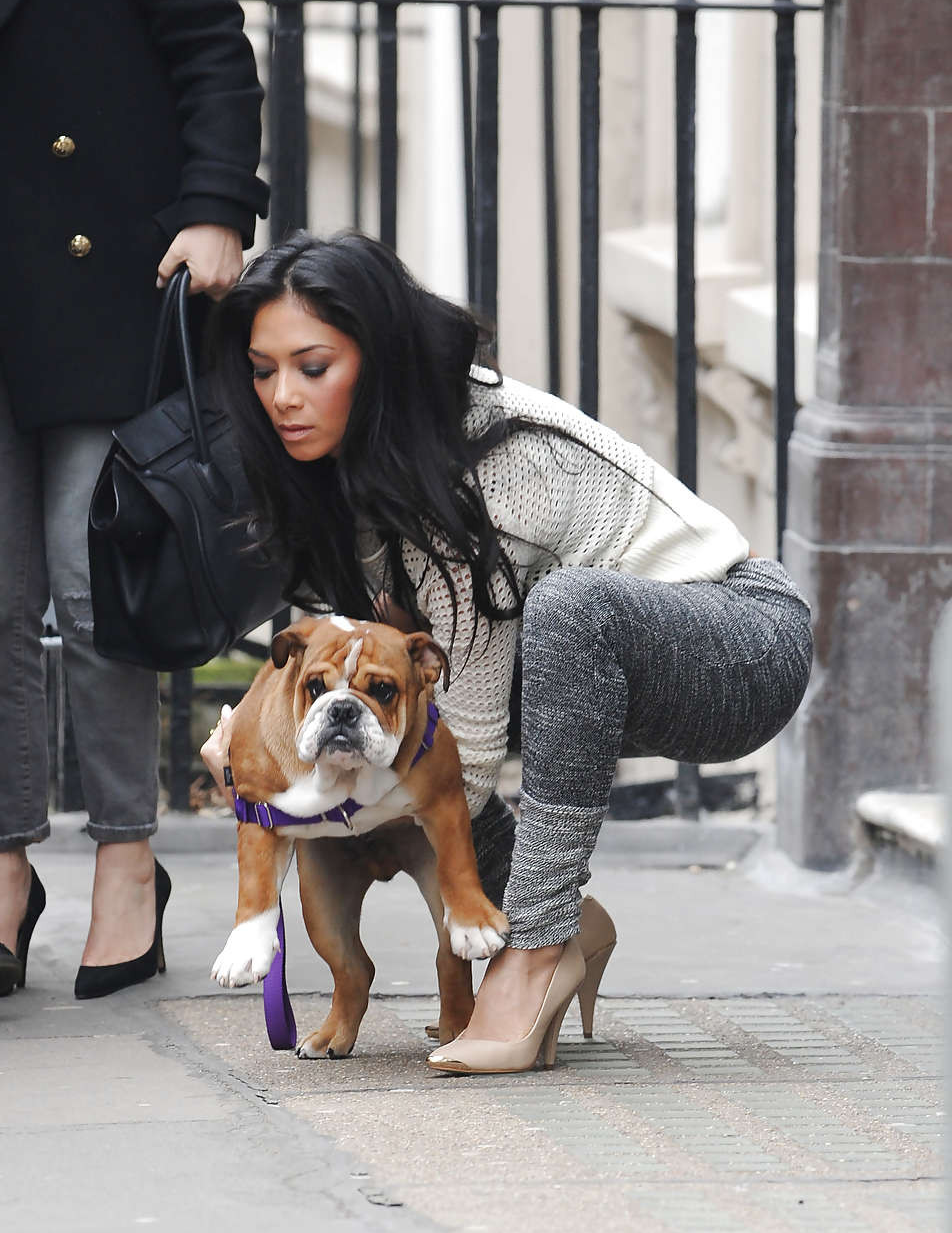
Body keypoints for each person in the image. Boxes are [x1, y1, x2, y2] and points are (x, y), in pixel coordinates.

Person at [203, 230, 813, 1074]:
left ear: (377, 362)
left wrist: (309, 798)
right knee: (416, 710)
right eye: (263, 372)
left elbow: (469, 764)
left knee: (552, 626)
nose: (282, 397)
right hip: (581, 662)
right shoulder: (347, 468)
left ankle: (538, 950)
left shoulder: (486, 467)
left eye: (313, 367)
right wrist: (259, 753)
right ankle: (559, 922)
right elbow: (344, 669)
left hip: (740, 643)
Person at [0, 0, 269, 1000]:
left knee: (93, 577)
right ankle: (6, 864)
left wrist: (214, 206)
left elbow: (209, 47)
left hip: (105, 277)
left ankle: (126, 854)